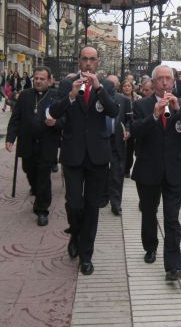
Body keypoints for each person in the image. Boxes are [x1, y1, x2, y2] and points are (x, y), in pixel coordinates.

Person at [49, 46, 119, 276]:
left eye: (92, 60)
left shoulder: (106, 85)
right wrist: (70, 96)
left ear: (97, 62)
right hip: (73, 154)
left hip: (98, 155)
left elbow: (113, 111)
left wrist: (99, 88)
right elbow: (55, 114)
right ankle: (76, 234)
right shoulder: (66, 85)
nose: (88, 64)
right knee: (74, 203)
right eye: (84, 59)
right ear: (78, 61)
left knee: (92, 206)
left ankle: (86, 255)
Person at [131, 65, 181, 281]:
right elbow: (136, 133)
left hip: (175, 170)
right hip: (149, 169)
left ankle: (173, 265)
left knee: (172, 218)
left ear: (174, 81)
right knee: (149, 213)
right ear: (153, 82)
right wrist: (154, 115)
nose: (165, 83)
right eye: (160, 79)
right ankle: (150, 246)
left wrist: (178, 110)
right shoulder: (142, 105)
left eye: (169, 79)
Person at [5, 66, 62, 226]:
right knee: (29, 171)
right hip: (27, 143)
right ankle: (37, 191)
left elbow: (64, 121)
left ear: (49, 81)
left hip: (47, 144)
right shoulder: (24, 96)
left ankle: (42, 210)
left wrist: (56, 122)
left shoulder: (56, 97)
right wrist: (10, 137)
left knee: (44, 177)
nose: (38, 81)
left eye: (42, 78)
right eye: (36, 78)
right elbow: (15, 118)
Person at [105, 74, 132, 216]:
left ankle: (116, 203)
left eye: (113, 83)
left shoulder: (124, 100)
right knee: (101, 172)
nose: (111, 86)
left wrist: (128, 130)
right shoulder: (98, 99)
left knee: (117, 173)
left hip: (117, 141)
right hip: (101, 140)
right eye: (108, 83)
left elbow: (129, 119)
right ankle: (103, 197)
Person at [120, 78, 141, 178]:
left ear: (132, 88)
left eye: (128, 86)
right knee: (123, 148)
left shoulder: (138, 98)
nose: (127, 88)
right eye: (124, 86)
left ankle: (127, 168)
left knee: (130, 149)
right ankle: (122, 168)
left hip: (135, 126)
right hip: (123, 126)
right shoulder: (119, 98)